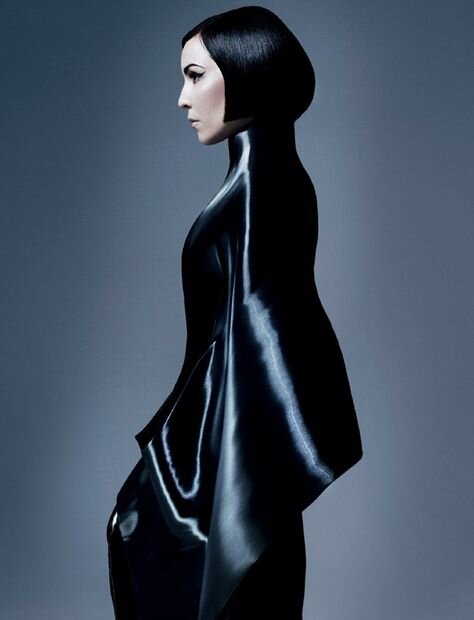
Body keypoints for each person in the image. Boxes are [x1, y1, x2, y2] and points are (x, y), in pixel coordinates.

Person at [106, 6, 363, 619]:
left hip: (237, 456)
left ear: (246, 72)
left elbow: (259, 335)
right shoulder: (268, 181)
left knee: (149, 541)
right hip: (234, 447)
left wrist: (202, 483)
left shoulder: (258, 190)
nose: (182, 98)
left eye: (195, 76)